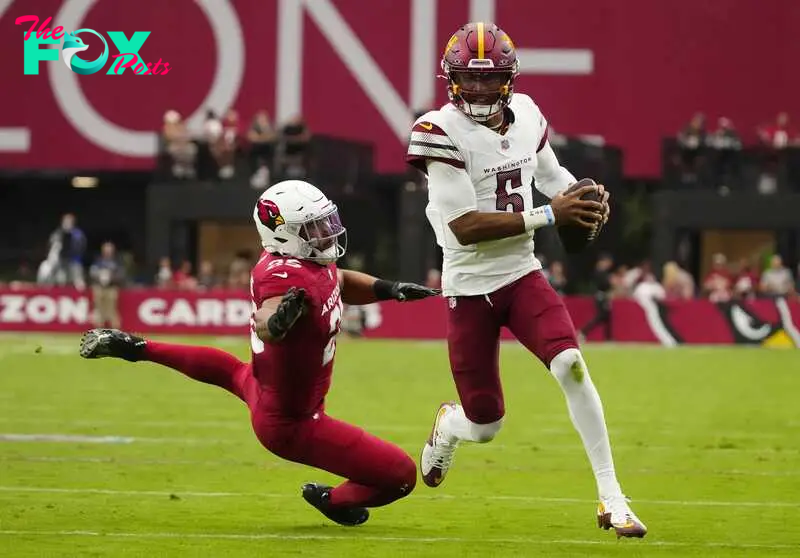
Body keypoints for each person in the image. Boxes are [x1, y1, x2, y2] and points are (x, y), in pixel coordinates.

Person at [78, 180, 440, 526]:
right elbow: (268, 314)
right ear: (283, 232)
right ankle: (332, 501)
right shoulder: (284, 275)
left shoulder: (309, 261)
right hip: (291, 423)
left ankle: (135, 347)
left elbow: (339, 280)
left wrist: (389, 289)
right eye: (314, 227)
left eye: (324, 222)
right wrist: (277, 323)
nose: (326, 232)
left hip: (262, 384)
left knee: (230, 370)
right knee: (401, 475)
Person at [405, 22, 646, 538]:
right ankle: (450, 426)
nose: (478, 90)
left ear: (508, 80)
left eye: (489, 80)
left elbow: (551, 177)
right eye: (468, 81)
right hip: (469, 288)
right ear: (450, 81)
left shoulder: (528, 115)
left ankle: (612, 496)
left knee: (572, 366)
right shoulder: (437, 131)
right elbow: (464, 228)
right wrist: (550, 215)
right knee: (486, 424)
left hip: (521, 274)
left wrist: (581, 196)